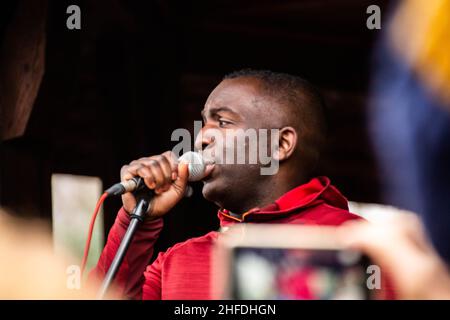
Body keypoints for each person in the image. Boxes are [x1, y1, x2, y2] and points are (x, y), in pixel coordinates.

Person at [90, 69, 363, 299]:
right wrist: (136, 220)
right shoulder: (179, 261)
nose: (200, 139)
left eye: (223, 122)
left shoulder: (357, 245)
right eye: (204, 123)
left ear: (279, 145)